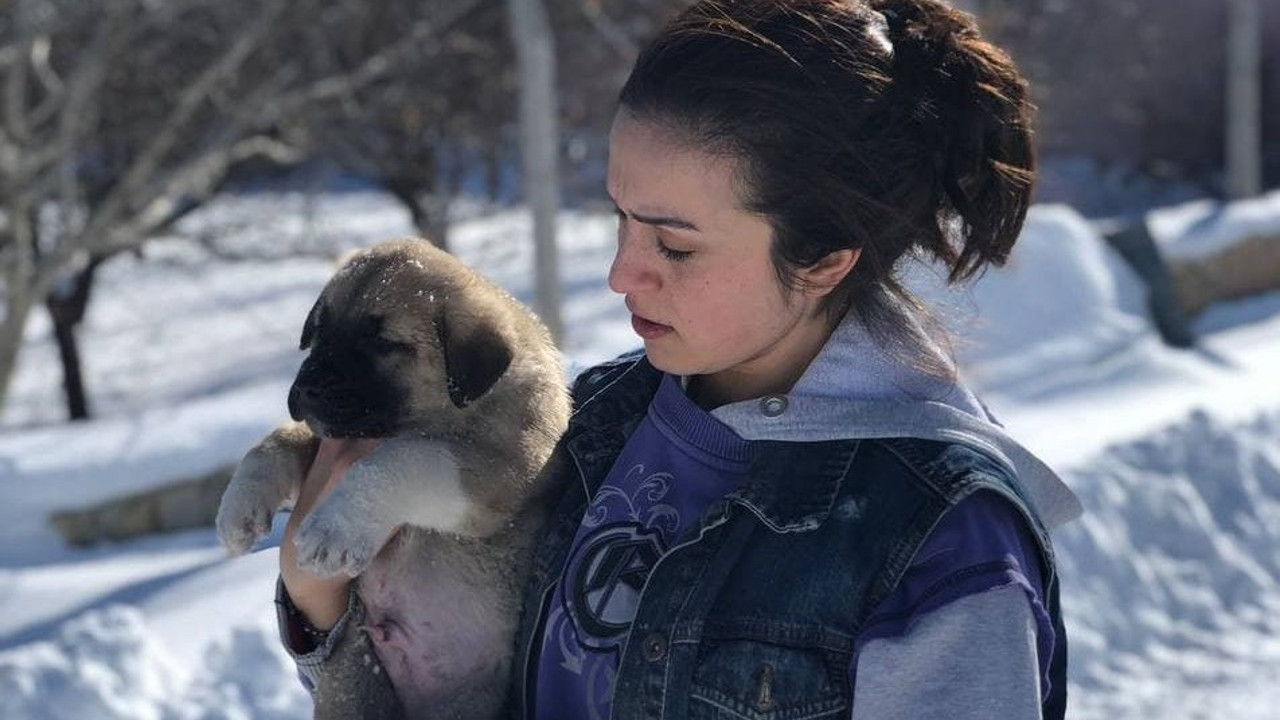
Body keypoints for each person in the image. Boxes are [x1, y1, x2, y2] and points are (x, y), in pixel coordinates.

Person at [275, 0, 1083, 718]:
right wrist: (321, 610)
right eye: (621, 221)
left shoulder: (940, 542)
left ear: (826, 258)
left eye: (673, 244)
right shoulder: (588, 423)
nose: (622, 274)